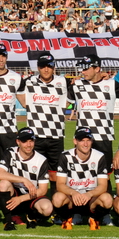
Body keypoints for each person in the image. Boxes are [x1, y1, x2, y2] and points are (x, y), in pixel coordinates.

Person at [17, 52, 73, 181]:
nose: (46, 69)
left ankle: (55, 195)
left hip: (56, 135)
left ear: (54, 67)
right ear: (38, 67)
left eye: (49, 66)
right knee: (34, 173)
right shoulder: (28, 82)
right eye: (43, 66)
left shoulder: (64, 81)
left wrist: (102, 76)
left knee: (55, 175)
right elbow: (16, 91)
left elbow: (77, 91)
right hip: (35, 136)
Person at [52, 127, 113, 230]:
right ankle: (68, 217)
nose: (85, 144)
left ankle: (93, 218)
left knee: (107, 199)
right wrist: (73, 193)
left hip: (91, 199)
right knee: (57, 198)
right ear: (75, 141)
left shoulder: (99, 156)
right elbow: (60, 184)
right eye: (82, 140)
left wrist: (89, 194)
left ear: (92, 141)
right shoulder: (65, 156)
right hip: (72, 198)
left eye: (88, 140)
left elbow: (103, 185)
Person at [0, 127, 52, 230]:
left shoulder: (41, 160)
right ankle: (9, 221)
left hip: (32, 195)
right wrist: (23, 179)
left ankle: (31, 216)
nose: (28, 145)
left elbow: (43, 190)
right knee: (3, 184)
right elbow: (0, 174)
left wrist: (21, 199)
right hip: (15, 193)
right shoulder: (10, 152)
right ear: (18, 142)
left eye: (31, 141)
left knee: (47, 209)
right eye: (24, 141)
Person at [72, 54, 119, 170]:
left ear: (97, 69)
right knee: (83, 174)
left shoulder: (112, 85)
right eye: (82, 68)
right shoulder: (76, 85)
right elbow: (63, 103)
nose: (83, 72)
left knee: (105, 174)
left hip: (104, 137)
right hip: (83, 138)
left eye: (86, 68)